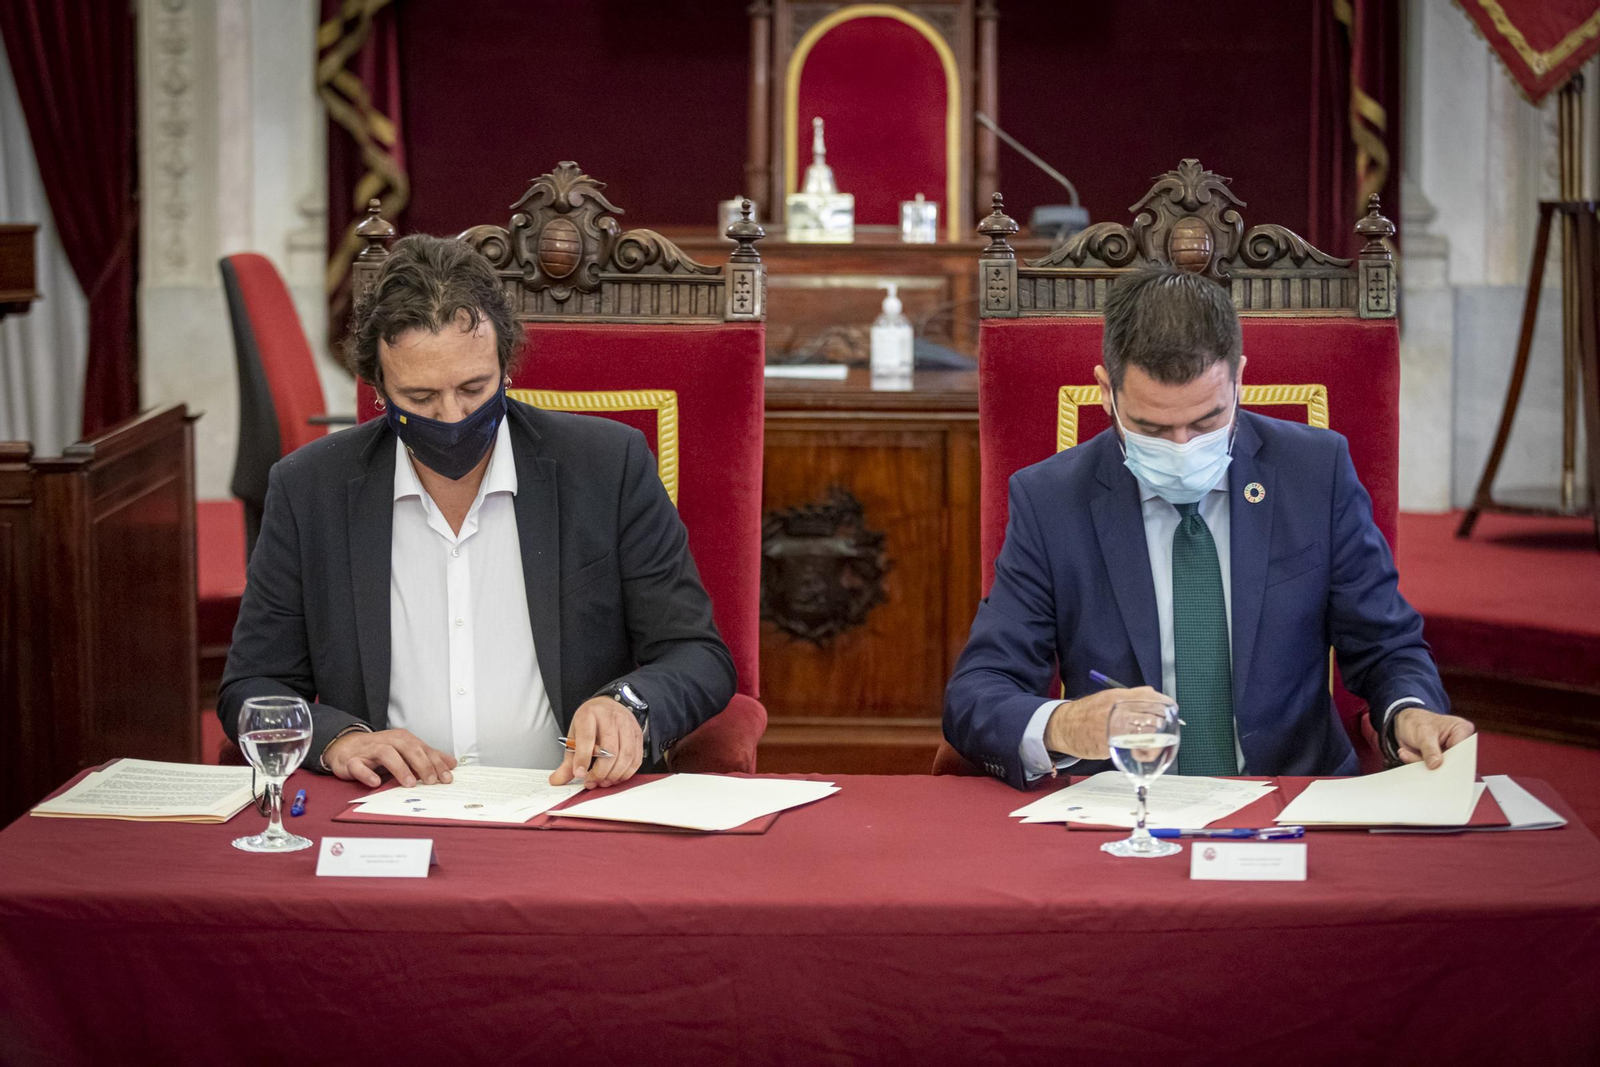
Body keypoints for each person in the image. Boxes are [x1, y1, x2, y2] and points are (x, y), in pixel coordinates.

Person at [219, 235, 735, 791]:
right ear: (377, 389)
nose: (452, 416)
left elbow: (697, 654)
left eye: (474, 388)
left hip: (571, 802)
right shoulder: (308, 490)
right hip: (392, 811)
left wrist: (629, 703)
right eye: (419, 398)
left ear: (505, 364)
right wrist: (339, 741)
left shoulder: (607, 467)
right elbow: (253, 686)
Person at [944, 266, 1474, 789]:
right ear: (1105, 391)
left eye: (1205, 422)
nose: (1181, 448)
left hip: (1292, 798)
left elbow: (1386, 646)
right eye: (1151, 428)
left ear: (1240, 379)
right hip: (1127, 811)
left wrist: (1409, 712)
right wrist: (1067, 724)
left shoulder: (1315, 472)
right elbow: (978, 690)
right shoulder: (1052, 499)